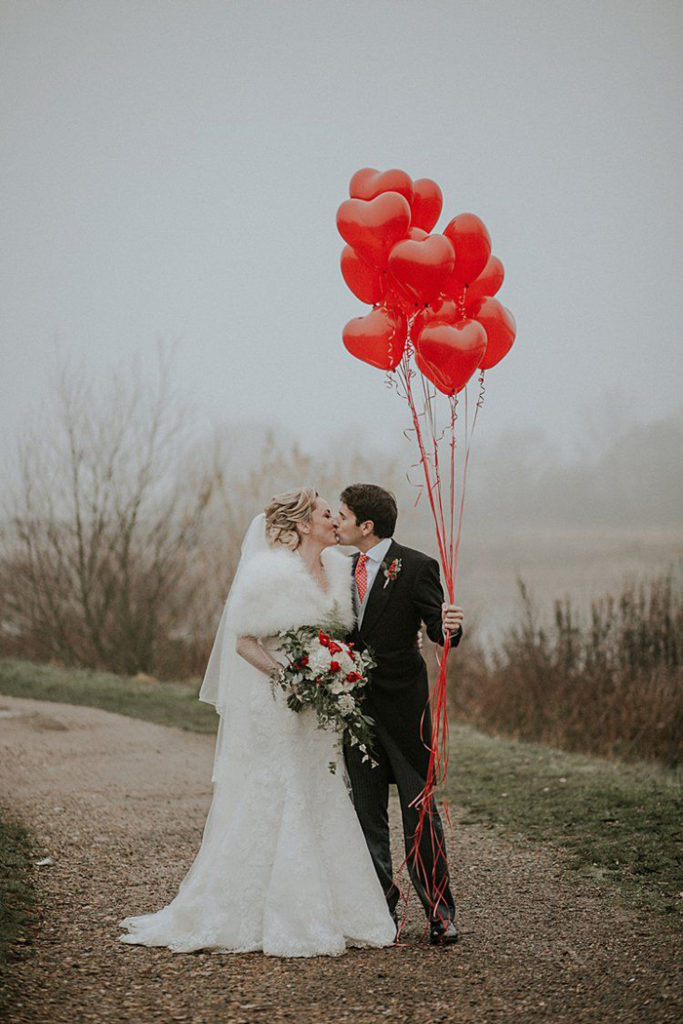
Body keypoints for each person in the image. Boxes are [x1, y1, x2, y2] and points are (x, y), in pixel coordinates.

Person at [119, 488, 396, 958]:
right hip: (279, 703)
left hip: (320, 708)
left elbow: (341, 636)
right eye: (327, 515)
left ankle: (341, 910)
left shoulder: (336, 570)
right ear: (303, 526)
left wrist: (335, 672)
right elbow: (244, 641)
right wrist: (289, 676)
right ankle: (260, 912)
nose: (336, 521)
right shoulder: (268, 572)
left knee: (322, 791)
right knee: (281, 788)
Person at [336, 483, 464, 946]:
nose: (337, 521)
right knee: (366, 816)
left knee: (420, 813)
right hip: (356, 715)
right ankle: (380, 913)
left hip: (406, 713)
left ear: (366, 526)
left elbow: (439, 631)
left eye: (344, 515)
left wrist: (450, 627)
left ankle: (439, 911)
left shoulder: (416, 566)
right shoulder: (341, 569)